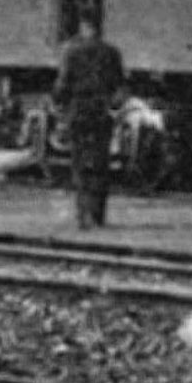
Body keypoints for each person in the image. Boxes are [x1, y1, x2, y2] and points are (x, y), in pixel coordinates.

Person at [51, 14, 126, 229]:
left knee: (80, 163)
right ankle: (99, 215)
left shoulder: (71, 51)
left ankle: (83, 215)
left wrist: (58, 103)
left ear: (83, 26)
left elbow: (63, 84)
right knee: (101, 163)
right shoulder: (112, 52)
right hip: (101, 111)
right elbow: (119, 84)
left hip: (79, 110)